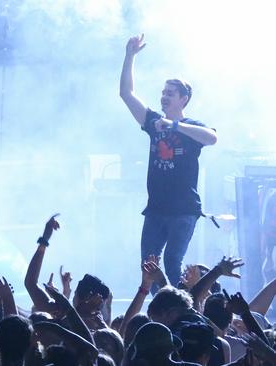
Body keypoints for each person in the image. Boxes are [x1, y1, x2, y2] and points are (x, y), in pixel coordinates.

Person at [119, 34, 218, 287]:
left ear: (183, 99)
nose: (164, 96)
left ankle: (181, 312)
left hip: (183, 209)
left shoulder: (192, 126)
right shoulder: (153, 122)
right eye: (163, 92)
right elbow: (126, 93)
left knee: (173, 261)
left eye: (170, 93)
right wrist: (129, 55)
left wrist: (175, 125)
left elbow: (212, 138)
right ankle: (161, 312)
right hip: (156, 209)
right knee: (149, 265)